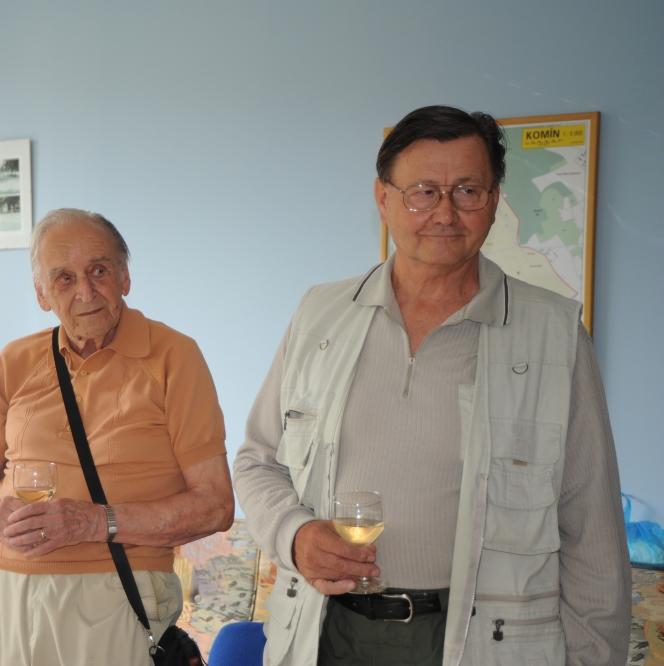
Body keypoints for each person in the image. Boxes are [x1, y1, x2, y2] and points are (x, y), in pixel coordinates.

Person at [233, 105, 630, 665]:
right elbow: (257, 461)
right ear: (383, 198)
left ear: (494, 201)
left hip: (478, 642)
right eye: (423, 192)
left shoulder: (554, 334)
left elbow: (592, 529)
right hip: (328, 631)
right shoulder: (321, 314)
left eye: (467, 190)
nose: (445, 212)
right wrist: (294, 534)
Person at [0, 208, 234, 665]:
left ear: (125, 277)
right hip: (3, 595)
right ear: (42, 293)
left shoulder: (174, 356)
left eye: (99, 271)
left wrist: (95, 522)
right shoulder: (14, 361)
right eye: (64, 278)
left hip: (112, 594)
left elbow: (216, 505)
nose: (85, 292)